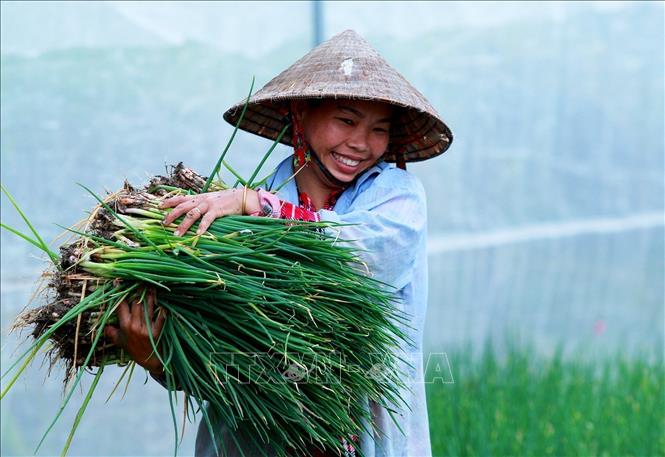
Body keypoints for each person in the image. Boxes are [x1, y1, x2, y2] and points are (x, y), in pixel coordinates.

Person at [104, 30, 452, 457]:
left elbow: (367, 259)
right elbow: (223, 356)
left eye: (379, 130)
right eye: (346, 120)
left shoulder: (394, 196)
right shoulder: (238, 219)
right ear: (301, 115)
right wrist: (157, 356)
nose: (361, 143)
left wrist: (262, 208)